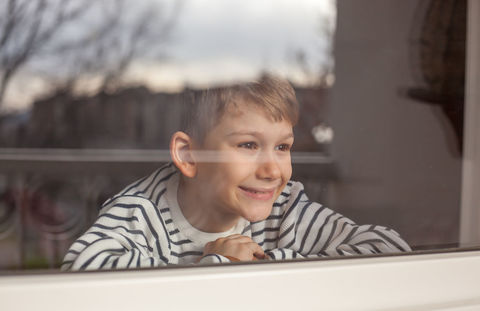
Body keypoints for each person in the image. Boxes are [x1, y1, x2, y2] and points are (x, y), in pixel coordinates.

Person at [61, 75, 410, 270]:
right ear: (190, 155)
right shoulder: (139, 212)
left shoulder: (284, 207)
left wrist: (264, 264)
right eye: (248, 145)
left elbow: (389, 249)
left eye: (283, 147)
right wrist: (215, 264)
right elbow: (81, 272)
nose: (273, 169)